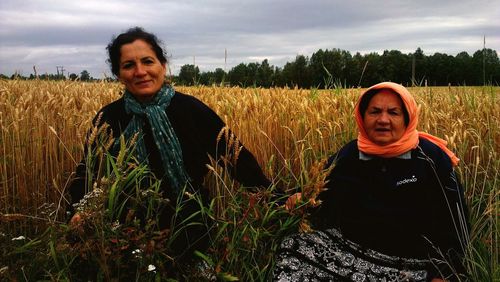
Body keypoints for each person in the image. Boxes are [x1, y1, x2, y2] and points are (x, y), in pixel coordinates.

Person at [67, 27, 271, 272]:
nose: (140, 71)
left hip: (191, 230)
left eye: (148, 61)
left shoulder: (191, 110)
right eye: (129, 65)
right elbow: (87, 171)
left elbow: (235, 158)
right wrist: (78, 211)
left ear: (163, 65)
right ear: (119, 74)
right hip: (125, 235)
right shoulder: (109, 118)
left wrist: (276, 198)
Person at [274, 82, 469, 281]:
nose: (383, 120)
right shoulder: (350, 154)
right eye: (374, 112)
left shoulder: (431, 157)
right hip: (351, 253)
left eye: (393, 113)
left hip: (411, 264)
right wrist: (300, 198)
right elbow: (317, 191)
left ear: (407, 118)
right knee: (293, 246)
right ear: (363, 116)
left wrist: (445, 272)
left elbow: (455, 220)